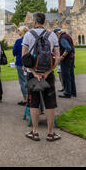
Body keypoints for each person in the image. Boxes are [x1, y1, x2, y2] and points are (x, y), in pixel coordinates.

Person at [22, 13, 61, 142]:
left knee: (34, 103)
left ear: (34, 22)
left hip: (33, 74)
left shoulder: (28, 35)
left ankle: (35, 132)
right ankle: (50, 133)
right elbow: (57, 57)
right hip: (47, 74)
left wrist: (33, 73)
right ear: (44, 22)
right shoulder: (52, 35)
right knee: (50, 104)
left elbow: (24, 58)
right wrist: (49, 72)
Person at [54, 28, 76, 98]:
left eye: (55, 34)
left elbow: (68, 48)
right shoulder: (67, 35)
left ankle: (67, 93)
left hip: (66, 59)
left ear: (57, 33)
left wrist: (62, 56)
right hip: (71, 58)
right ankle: (73, 92)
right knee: (71, 75)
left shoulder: (62, 38)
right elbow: (72, 48)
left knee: (66, 76)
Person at [13, 26, 28, 106]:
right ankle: (30, 98)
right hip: (29, 63)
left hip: (20, 62)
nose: (18, 33)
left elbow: (14, 52)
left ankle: (25, 99)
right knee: (28, 80)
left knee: (22, 81)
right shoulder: (29, 39)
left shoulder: (19, 41)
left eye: (19, 31)